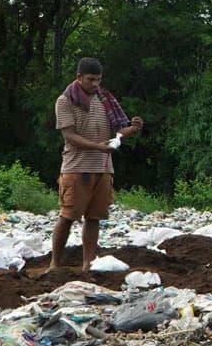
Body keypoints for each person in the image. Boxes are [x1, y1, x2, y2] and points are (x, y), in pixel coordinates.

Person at [43, 57, 144, 275]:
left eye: (98, 80)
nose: (95, 84)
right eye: (90, 80)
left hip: (104, 167)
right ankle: (54, 264)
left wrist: (132, 128)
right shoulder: (66, 101)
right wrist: (98, 147)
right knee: (68, 216)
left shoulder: (105, 99)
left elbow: (116, 132)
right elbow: (69, 136)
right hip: (76, 167)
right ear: (79, 77)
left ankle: (88, 263)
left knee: (94, 217)